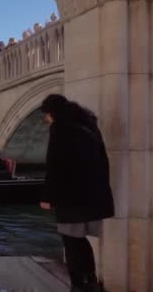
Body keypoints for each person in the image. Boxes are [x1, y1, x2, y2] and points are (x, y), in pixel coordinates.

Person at [39, 94, 114, 292]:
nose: (46, 119)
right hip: (93, 194)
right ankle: (90, 280)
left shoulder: (60, 129)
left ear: (52, 113)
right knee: (80, 240)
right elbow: (103, 160)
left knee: (70, 241)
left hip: (71, 196)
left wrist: (47, 197)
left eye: (46, 115)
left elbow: (54, 166)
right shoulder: (89, 125)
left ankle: (78, 285)